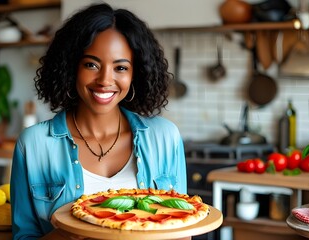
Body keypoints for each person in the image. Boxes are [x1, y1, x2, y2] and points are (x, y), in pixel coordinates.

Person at [10, 3, 187, 239]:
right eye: (91, 64)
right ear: (71, 67)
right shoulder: (33, 144)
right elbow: (24, 236)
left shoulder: (165, 137)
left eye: (120, 67)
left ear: (136, 74)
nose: (105, 80)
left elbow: (183, 229)